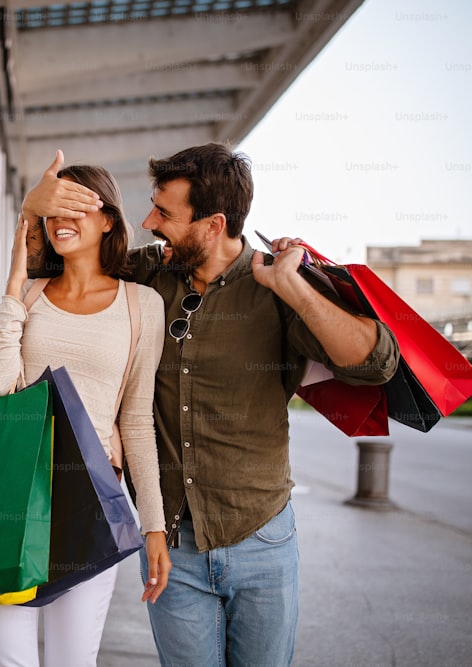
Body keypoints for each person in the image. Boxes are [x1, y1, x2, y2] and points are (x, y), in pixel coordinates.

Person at [22, 143, 401, 665]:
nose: (149, 220)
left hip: (261, 537)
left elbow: (376, 361)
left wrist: (294, 285)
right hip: (173, 548)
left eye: (165, 213)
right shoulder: (147, 276)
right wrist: (34, 206)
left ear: (213, 224)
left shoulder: (277, 287)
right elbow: (47, 271)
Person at [0, 157, 171, 667]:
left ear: (108, 218)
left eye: (77, 206)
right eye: (53, 210)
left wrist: (154, 525)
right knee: (9, 661)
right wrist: (14, 284)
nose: (61, 219)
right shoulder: (31, 294)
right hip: (12, 495)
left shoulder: (142, 305)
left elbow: (136, 422)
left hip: (91, 501)